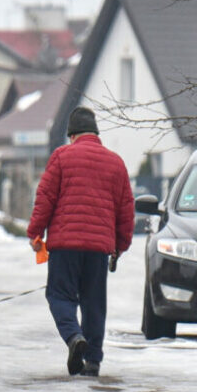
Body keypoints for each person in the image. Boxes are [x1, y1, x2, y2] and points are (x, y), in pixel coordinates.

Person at [27, 106, 135, 376]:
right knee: (93, 303)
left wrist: (35, 232)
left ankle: (74, 337)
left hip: (65, 245)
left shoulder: (61, 157)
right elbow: (126, 209)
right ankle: (93, 360)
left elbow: (45, 198)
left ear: (72, 135)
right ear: (95, 133)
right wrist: (120, 246)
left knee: (59, 295)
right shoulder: (116, 163)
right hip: (98, 249)